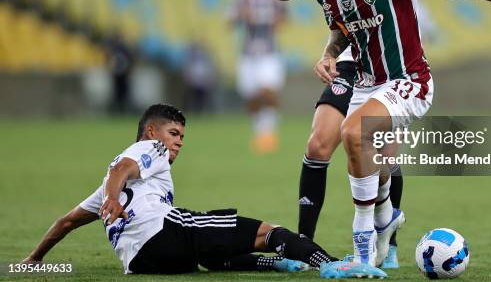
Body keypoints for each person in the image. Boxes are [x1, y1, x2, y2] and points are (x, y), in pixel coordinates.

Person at [256, 0, 487, 268]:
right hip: (350, 60)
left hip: (392, 63)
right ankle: (305, 245)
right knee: (318, 145)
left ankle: (387, 245)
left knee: (378, 152)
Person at [302, 0, 491, 266]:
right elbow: (342, 31)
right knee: (370, 160)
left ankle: (363, 250)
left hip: (410, 80)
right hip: (367, 83)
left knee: (353, 132)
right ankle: (384, 219)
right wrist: (328, 55)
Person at [22, 103, 387, 278]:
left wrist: (34, 259)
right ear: (152, 132)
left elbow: (67, 222)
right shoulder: (149, 150)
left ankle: (277, 263)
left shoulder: (104, 188)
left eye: (181, 137)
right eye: (174, 134)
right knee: (266, 231)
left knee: (212, 256)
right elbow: (123, 169)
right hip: (161, 233)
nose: (178, 144)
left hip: (143, 264)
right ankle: (332, 265)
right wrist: (115, 197)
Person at [230, 0, 287, 153]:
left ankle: (269, 133)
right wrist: (241, 16)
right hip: (247, 54)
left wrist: (271, 20)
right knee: (252, 96)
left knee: (268, 91)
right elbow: (230, 21)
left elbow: (284, 19)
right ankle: (259, 132)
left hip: (269, 52)